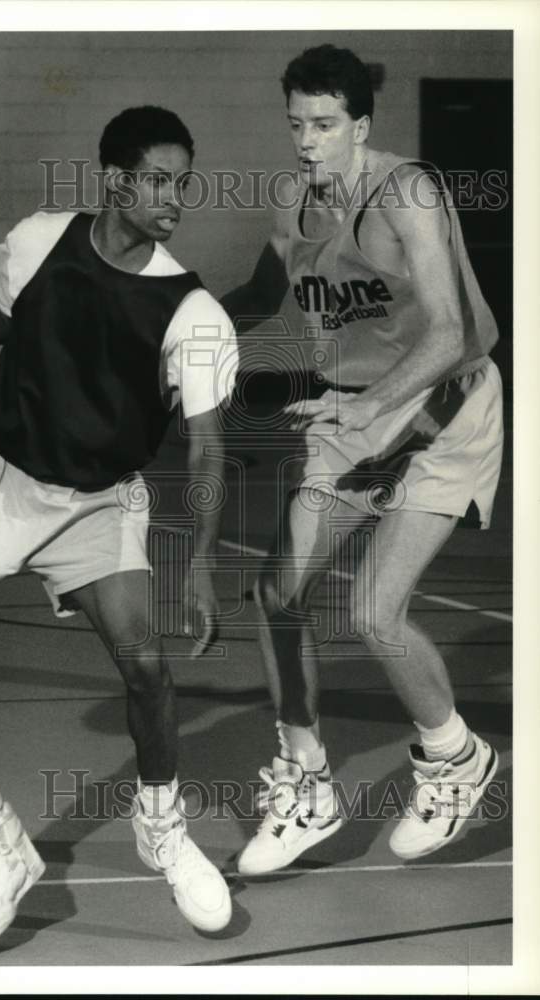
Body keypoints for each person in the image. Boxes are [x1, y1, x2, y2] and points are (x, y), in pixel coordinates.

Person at [0, 105, 236, 951]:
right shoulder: (42, 236)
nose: (173, 199)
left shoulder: (191, 312)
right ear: (115, 180)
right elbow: (1, 321)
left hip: (96, 499)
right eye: (158, 179)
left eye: (181, 183)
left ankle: (159, 826)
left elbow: (207, 450)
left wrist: (197, 568)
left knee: (147, 666)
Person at [220, 45, 503, 874]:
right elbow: (255, 295)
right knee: (277, 593)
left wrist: (373, 408)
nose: (307, 141)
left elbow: (448, 333)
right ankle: (308, 787)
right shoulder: (294, 201)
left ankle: (454, 758)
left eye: (324, 124)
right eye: (296, 125)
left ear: (360, 125)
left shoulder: (404, 190)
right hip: (353, 414)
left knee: (373, 613)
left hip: (440, 410)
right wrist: (153, 311)